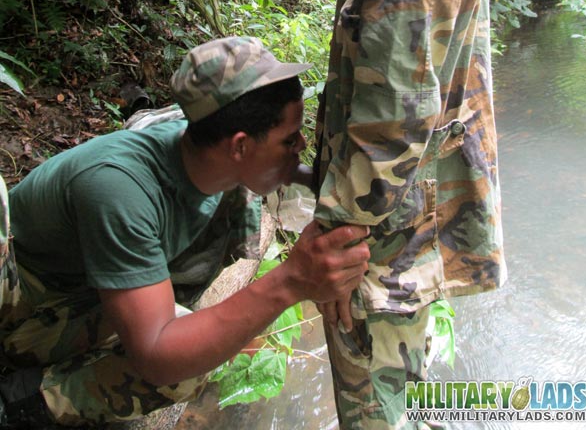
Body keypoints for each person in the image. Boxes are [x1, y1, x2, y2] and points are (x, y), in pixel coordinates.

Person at [247, 0, 507, 429]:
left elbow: (396, 116)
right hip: (392, 230)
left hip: (379, 245)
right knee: (400, 405)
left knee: (377, 414)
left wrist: (331, 244)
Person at [0, 36, 370, 428]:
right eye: (289, 139)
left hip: (82, 295)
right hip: (23, 308)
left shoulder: (202, 143)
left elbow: (275, 167)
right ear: (240, 147)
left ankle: (34, 388)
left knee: (197, 349)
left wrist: (329, 185)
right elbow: (158, 356)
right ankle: (24, 402)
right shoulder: (121, 190)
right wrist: (290, 281)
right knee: (181, 364)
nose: (301, 145)